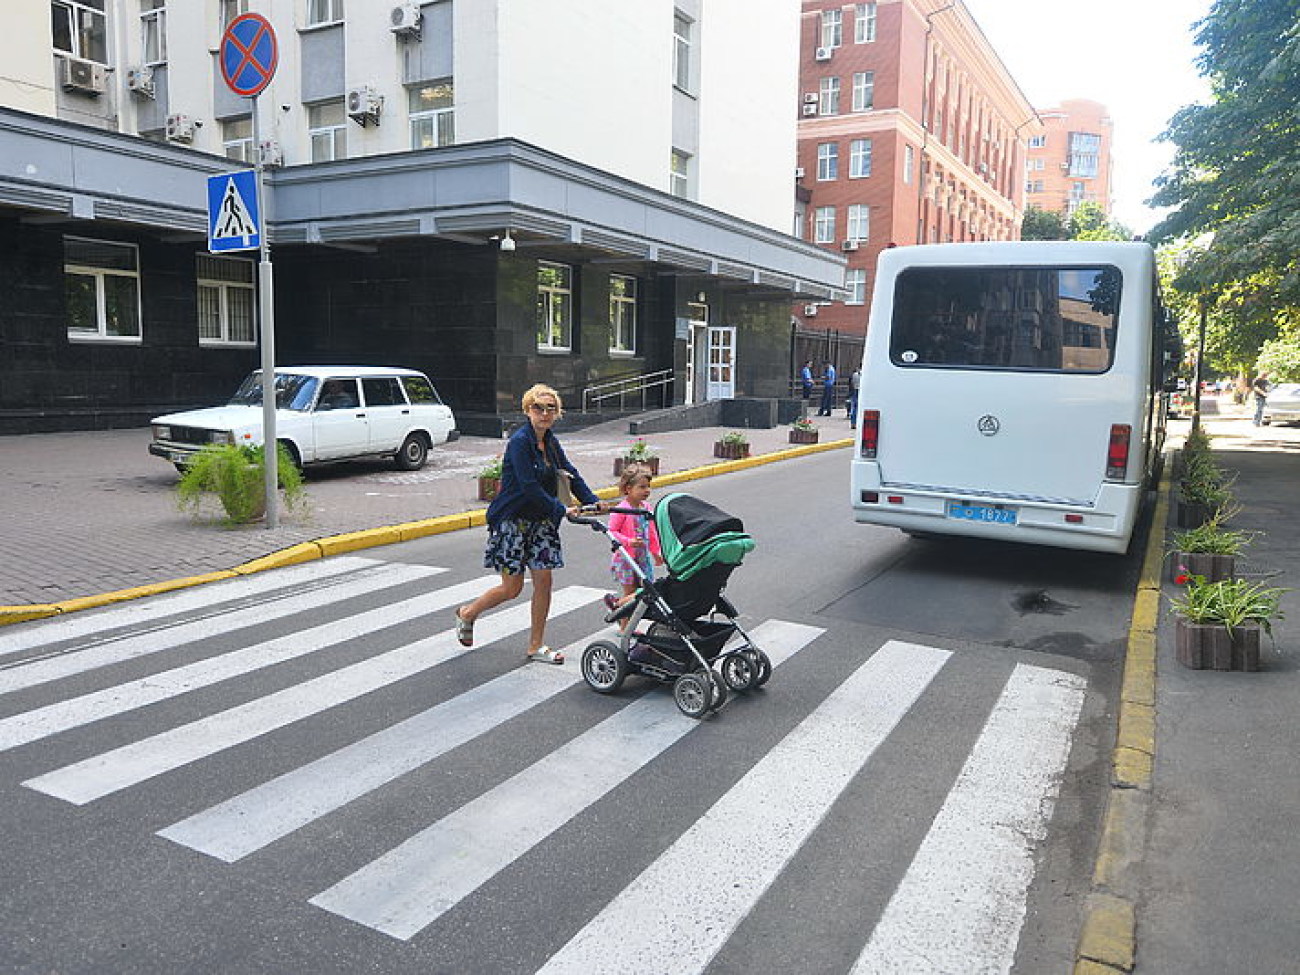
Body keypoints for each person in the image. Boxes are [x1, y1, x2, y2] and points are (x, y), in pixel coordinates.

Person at [454, 384, 600, 664]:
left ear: (557, 413)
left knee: (544, 580)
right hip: (514, 520)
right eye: (538, 408)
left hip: (541, 521)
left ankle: (536, 645)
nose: (544, 413)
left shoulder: (551, 441)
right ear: (527, 410)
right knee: (512, 589)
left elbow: (570, 473)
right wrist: (563, 510)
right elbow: (528, 486)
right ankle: (468, 613)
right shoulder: (520, 442)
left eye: (550, 408)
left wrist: (593, 502)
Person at [602, 464, 664, 629]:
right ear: (628, 488)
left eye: (648, 486)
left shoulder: (646, 508)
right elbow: (612, 531)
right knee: (631, 593)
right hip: (625, 558)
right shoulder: (622, 509)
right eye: (642, 487)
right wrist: (629, 541)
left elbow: (652, 533)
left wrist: (656, 552)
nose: (647, 490)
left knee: (644, 592)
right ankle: (625, 627)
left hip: (642, 558)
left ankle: (618, 606)